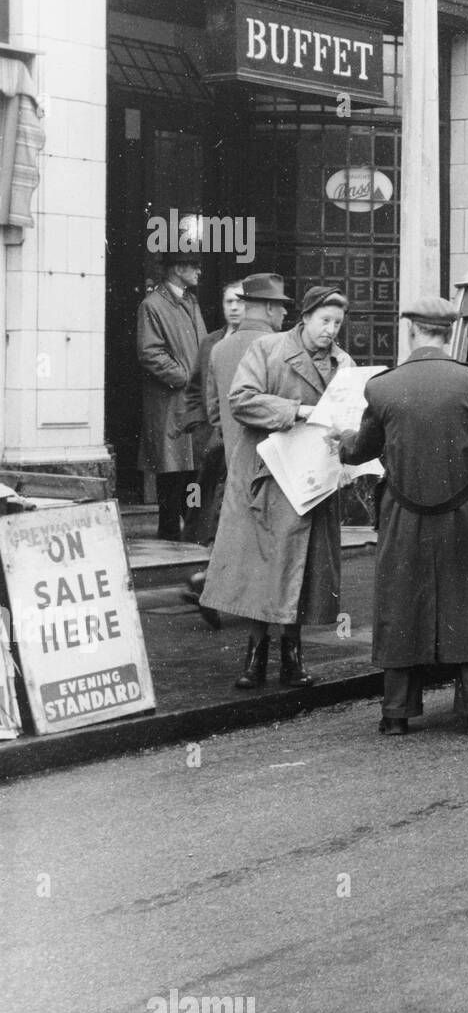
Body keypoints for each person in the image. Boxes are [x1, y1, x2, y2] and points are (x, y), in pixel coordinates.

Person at [333, 296, 468, 738]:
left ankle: (395, 714)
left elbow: (361, 450)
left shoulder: (382, 386)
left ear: (411, 331)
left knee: (401, 604)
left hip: (402, 514)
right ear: (448, 333)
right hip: (465, 512)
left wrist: (342, 442)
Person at [201, 281, 353, 689]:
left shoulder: (344, 364)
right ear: (304, 318)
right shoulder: (267, 351)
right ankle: (254, 661)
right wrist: (298, 410)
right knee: (262, 574)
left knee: (301, 576)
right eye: (325, 321)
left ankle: (292, 658)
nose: (331, 330)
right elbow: (241, 400)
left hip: (314, 483)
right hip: (269, 481)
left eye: (337, 323)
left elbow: (351, 416)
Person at [180, 280, 245, 626]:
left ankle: (210, 583)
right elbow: (194, 389)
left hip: (243, 445)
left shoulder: (256, 344)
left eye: (240, 301)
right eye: (228, 300)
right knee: (210, 515)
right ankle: (211, 582)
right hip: (214, 447)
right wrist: (199, 429)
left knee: (228, 516)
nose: (233, 307)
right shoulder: (210, 343)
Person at [136, 254, 208, 540]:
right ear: (179, 269)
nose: (200, 272)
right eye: (195, 266)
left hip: (191, 402)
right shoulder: (152, 305)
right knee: (172, 472)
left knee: (191, 471)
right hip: (171, 403)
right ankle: (169, 531)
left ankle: (190, 527)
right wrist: (187, 377)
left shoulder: (190, 301)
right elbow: (149, 352)